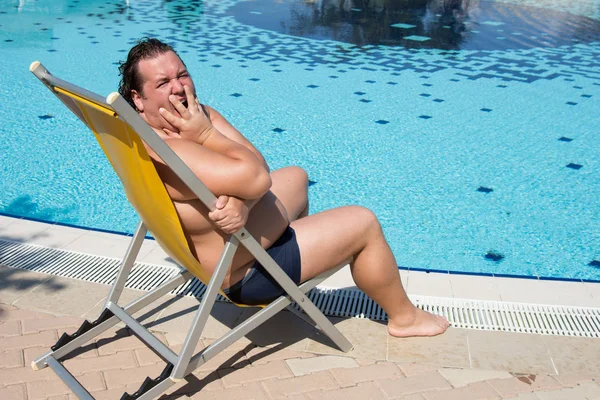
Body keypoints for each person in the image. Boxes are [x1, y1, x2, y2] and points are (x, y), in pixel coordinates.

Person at [118, 38, 449, 337]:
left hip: (235, 244)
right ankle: (405, 319)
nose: (179, 87)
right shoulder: (169, 151)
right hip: (243, 275)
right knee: (364, 222)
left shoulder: (172, 125)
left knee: (296, 176)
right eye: (163, 83)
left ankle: (298, 258)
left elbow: (258, 165)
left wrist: (243, 204)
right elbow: (258, 179)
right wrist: (206, 136)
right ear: (139, 98)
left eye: (182, 74)